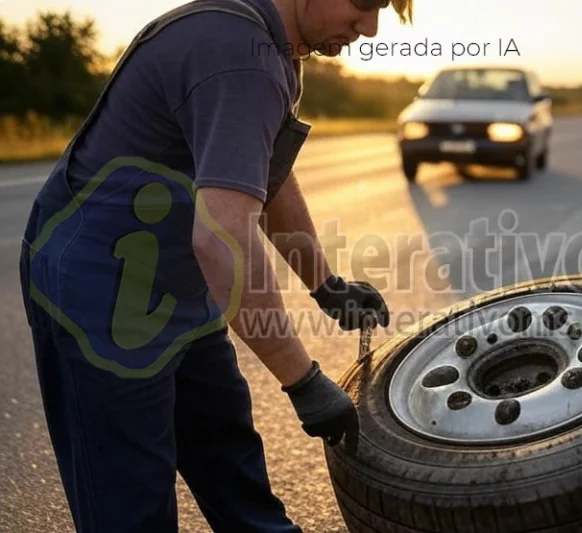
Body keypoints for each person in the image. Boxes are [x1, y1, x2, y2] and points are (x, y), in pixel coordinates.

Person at [18, 0, 413, 531]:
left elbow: (266, 178)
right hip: (100, 294)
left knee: (229, 461)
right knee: (130, 504)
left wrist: (326, 285)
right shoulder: (240, 56)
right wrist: (303, 380)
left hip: (179, 283)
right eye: (363, 4)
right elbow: (222, 240)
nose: (369, 29)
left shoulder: (270, 47)